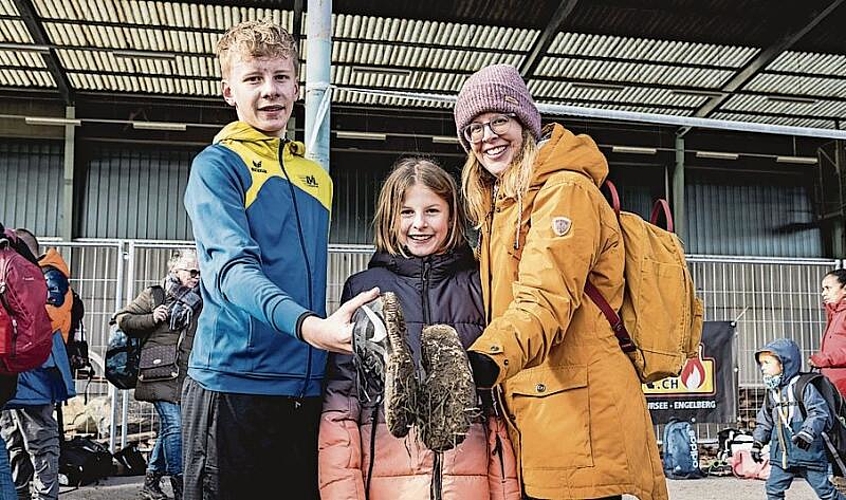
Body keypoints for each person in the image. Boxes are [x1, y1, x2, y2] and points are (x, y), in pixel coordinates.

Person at [182, 19, 378, 500]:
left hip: (305, 388)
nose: (270, 91)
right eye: (253, 79)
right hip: (234, 385)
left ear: (297, 83)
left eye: (281, 77)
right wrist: (311, 327)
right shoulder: (217, 165)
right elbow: (231, 272)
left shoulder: (317, 177)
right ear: (229, 90)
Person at [452, 63, 667, 500]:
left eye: (499, 120)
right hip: (546, 406)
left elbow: (544, 298)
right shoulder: (502, 204)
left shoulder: (563, 190)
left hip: (582, 416)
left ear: (525, 122)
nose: (486, 136)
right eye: (474, 127)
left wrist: (482, 360)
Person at [318, 158, 519, 499]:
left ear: (452, 216)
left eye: (432, 211)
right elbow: (342, 402)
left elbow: (495, 411)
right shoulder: (366, 290)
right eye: (407, 212)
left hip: (469, 482)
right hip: (386, 482)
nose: (419, 224)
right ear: (390, 217)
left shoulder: (481, 285)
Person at [114, 249, 202, 500]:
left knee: (168, 430)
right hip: (157, 373)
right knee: (176, 426)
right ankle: (181, 486)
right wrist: (152, 318)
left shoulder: (203, 300)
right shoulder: (156, 294)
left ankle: (151, 483)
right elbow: (124, 319)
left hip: (186, 375)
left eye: (200, 272)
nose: (197, 277)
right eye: (191, 272)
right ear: (175, 270)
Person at [1, 229, 75, 500]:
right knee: (15, 437)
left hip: (33, 368)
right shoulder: (35, 275)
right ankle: (20, 492)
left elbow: (47, 318)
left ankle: (41, 495)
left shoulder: (45, 276)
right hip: (27, 366)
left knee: (37, 437)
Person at [752, 338, 844, 500]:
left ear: (784, 364)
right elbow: (764, 420)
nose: (763, 367)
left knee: (825, 492)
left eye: (767, 363)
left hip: (808, 453)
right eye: (761, 364)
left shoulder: (802, 386)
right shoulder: (772, 392)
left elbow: (818, 412)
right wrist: (757, 443)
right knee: (773, 489)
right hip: (782, 456)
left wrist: (807, 433)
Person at [810, 269, 846, 396]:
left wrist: (826, 358)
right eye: (823, 289)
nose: (823, 293)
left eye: (828, 288)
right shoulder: (835, 315)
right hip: (834, 387)